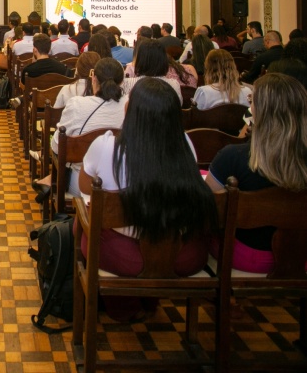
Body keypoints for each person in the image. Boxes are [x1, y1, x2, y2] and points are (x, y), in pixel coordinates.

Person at [80, 78, 218, 320]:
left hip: (126, 259)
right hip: (183, 255)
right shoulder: (186, 145)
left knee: (85, 219)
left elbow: (85, 189)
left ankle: (123, 306)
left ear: (129, 110)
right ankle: (145, 300)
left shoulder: (105, 146)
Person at [206, 73, 307, 273]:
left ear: (261, 111)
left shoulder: (234, 157)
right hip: (301, 256)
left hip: (246, 256)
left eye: (252, 102)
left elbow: (209, 210)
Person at [51, 57, 126, 197]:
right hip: (124, 182)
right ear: (122, 82)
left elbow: (56, 146)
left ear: (93, 79)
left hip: (83, 182)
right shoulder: (131, 103)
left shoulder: (77, 104)